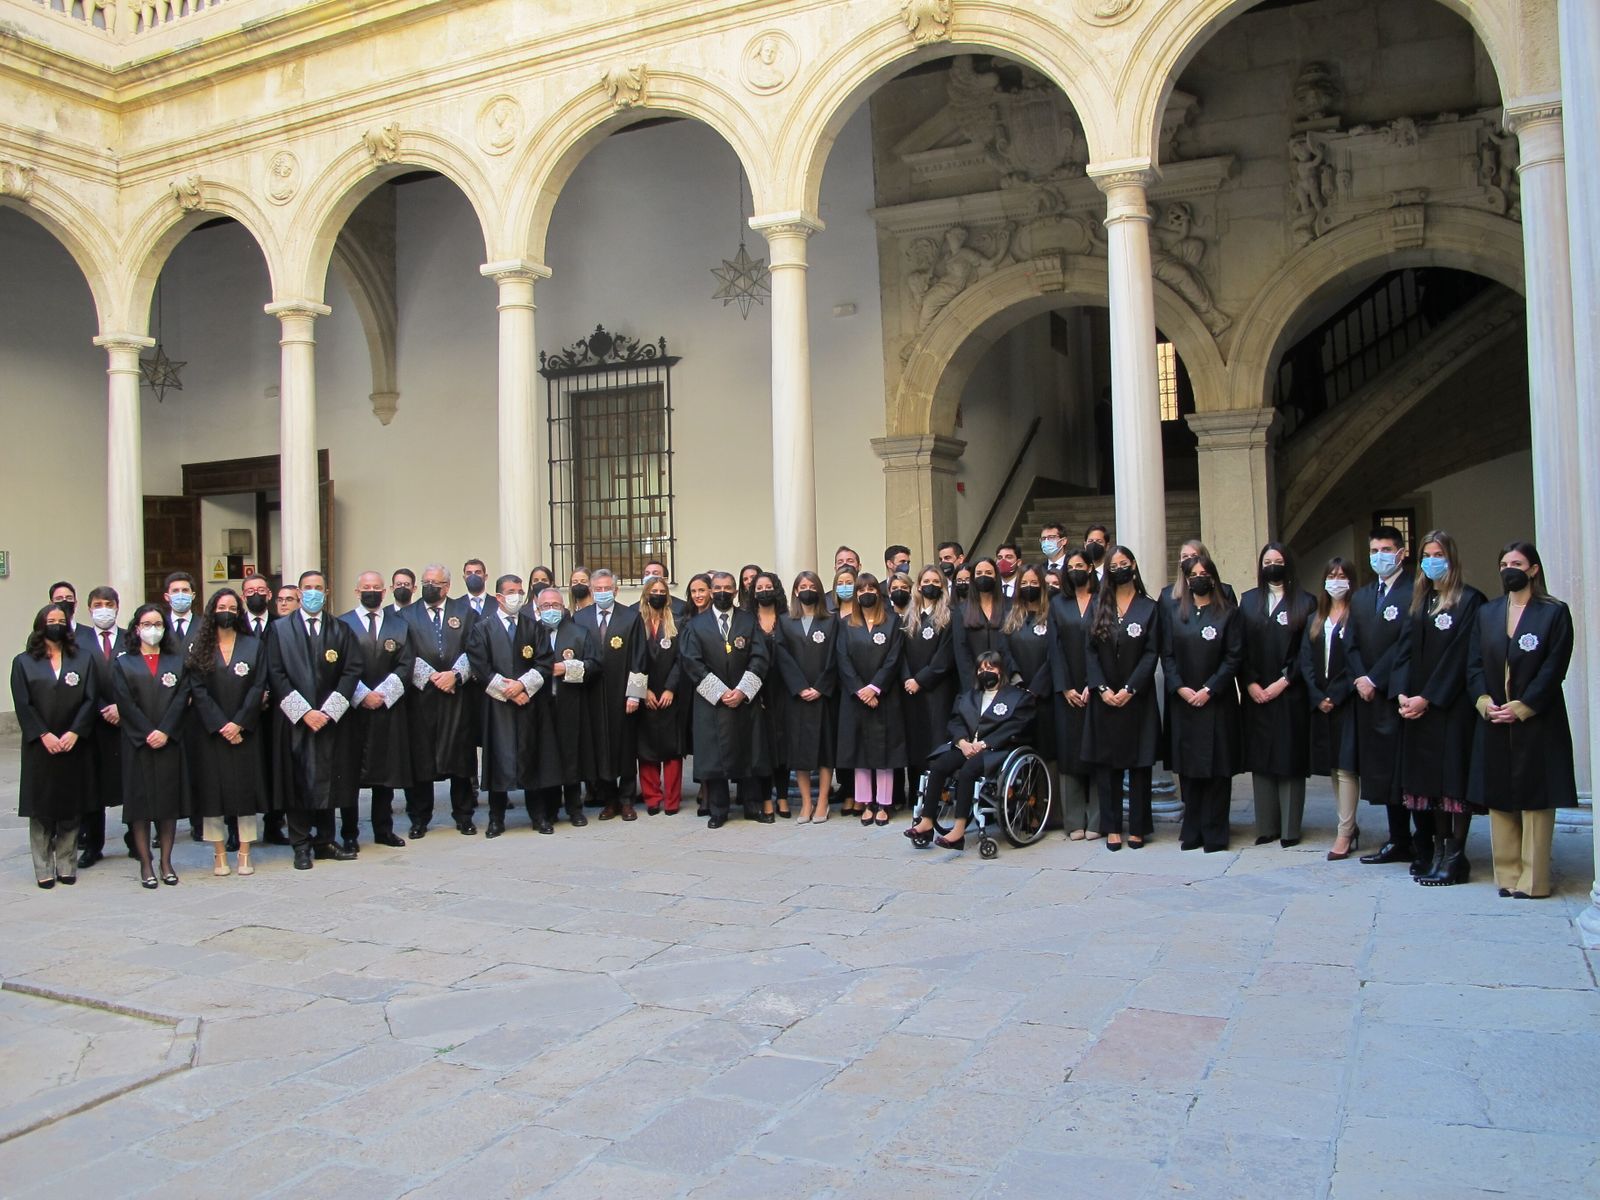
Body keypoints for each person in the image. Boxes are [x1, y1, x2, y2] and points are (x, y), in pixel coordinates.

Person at [1468, 541, 1576, 899]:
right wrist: (1484, 702)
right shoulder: (1488, 613)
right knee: (1500, 797)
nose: (1508, 570)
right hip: (1495, 718)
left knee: (1536, 797)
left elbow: (1554, 666)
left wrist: (1524, 705)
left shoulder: (1553, 612)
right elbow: (1473, 664)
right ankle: (1508, 875)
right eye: (1503, 564)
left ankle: (1534, 881)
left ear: (1533, 569)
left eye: (1516, 563)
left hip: (1537, 718)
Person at [1392, 529, 1486, 887]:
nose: (1432, 561)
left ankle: (1456, 858)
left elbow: (1461, 656)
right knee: (1431, 787)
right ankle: (1438, 851)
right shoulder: (1420, 600)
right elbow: (1404, 650)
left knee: (1452, 785)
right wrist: (1402, 692)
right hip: (1417, 709)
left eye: (1438, 555)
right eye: (1427, 556)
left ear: (1451, 558)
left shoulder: (1470, 600)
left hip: (1450, 707)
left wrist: (1428, 697)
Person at [266, 570, 361, 871]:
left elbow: (352, 670)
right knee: (297, 782)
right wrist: (304, 712)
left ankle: (325, 841)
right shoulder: (279, 629)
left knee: (329, 779)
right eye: (307, 587)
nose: (312, 593)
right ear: (299, 592)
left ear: (327, 592)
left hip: (330, 720)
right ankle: (301, 845)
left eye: (318, 587)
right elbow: (275, 672)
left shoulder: (341, 629)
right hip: (295, 721)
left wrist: (329, 711)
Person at [1348, 526, 1426, 871]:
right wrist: (1360, 677)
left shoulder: (1416, 591)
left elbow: (1406, 643)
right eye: (1374, 550)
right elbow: (1350, 642)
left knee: (1407, 771)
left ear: (1401, 553)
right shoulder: (1362, 596)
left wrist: (1375, 678)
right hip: (1368, 698)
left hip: (1399, 692)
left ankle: (1424, 840)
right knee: (1383, 772)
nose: (1379, 556)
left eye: (1385, 549)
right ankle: (1398, 838)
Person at [906, 650, 1034, 851]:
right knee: (939, 766)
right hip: (966, 746)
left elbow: (1015, 727)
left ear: (1001, 671)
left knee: (968, 772)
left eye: (990, 668)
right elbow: (956, 722)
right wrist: (962, 742)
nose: (985, 672)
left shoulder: (1018, 698)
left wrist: (985, 744)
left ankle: (958, 830)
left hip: (995, 749)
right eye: (981, 669)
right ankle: (927, 820)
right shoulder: (968, 696)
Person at [12, 603, 97, 888]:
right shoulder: (24, 662)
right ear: (41, 625)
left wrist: (75, 732)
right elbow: (23, 704)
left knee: (70, 806)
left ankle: (66, 863)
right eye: (51, 620)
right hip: (40, 746)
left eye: (62, 620)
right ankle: (43, 867)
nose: (57, 625)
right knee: (41, 808)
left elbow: (90, 698)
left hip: (73, 744)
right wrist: (43, 734)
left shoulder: (82, 659)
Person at [1161, 555, 1242, 853]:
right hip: (1184, 702)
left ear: (1213, 577)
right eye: (1193, 574)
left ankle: (1215, 832)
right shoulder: (1175, 613)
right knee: (1190, 771)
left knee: (1217, 771)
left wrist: (1210, 688)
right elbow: (1167, 655)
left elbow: (1233, 656)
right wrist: (1180, 687)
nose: (1199, 578)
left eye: (1204, 573)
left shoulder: (1228, 613)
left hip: (1217, 702)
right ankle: (1192, 830)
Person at [1082, 546, 1160, 850]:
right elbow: (1089, 651)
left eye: (1123, 564)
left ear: (1134, 566)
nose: (1119, 570)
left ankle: (1139, 827)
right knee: (1108, 766)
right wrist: (1101, 688)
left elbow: (1151, 652)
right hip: (1105, 698)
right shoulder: (1098, 605)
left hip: (1137, 698)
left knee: (1140, 765)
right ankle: (1112, 826)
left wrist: (1131, 688)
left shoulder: (1148, 607)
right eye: (1113, 566)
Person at [1238, 543, 1316, 847]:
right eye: (1267, 561)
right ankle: (1266, 826)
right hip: (1256, 692)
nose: (1272, 565)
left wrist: (1284, 681)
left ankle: (1289, 829)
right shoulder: (1248, 601)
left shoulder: (1305, 602)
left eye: (1278, 560)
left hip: (1289, 692)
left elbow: (1306, 651)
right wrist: (1250, 683)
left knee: (1289, 757)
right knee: (1261, 759)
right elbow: (1239, 647)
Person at [186, 588, 267, 877]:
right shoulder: (200, 647)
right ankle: (219, 853)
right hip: (212, 733)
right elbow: (198, 690)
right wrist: (221, 725)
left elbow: (258, 686)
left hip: (245, 732)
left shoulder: (253, 645)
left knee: (245, 792)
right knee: (213, 794)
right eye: (222, 607)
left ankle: (245, 852)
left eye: (233, 608)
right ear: (212, 611)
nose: (227, 613)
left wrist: (239, 723)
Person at [679, 572, 769, 828]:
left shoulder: (748, 620)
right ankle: (718, 810)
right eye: (717, 587)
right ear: (710, 591)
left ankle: (753, 806)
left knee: (750, 753)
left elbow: (760, 656)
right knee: (714, 756)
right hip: (711, 702)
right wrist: (720, 692)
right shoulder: (696, 625)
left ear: (735, 591)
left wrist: (742, 690)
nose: (722, 592)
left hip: (745, 700)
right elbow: (691, 662)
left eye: (728, 588)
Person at [111, 604, 192, 888]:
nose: (152, 629)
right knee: (140, 805)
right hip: (138, 743)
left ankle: (166, 861)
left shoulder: (177, 661)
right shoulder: (124, 663)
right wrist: (147, 732)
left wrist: (165, 731)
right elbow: (125, 702)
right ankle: (145, 862)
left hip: (169, 742)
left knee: (167, 805)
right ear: (137, 628)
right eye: (147, 624)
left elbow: (182, 697)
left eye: (158, 624)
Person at [335, 571, 414, 849]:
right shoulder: (342, 624)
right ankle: (349, 833)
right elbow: (338, 666)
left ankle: (383, 829)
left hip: (387, 709)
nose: (372, 591)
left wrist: (382, 694)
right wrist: (361, 695)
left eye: (377, 587)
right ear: (357, 592)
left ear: (385, 591)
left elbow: (406, 664)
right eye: (366, 587)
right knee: (351, 774)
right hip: (353, 711)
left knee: (385, 772)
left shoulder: (399, 625)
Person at [402, 563, 478, 837]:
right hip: (422, 698)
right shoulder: (406, 615)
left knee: (461, 758)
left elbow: (474, 648)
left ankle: (464, 815)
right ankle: (419, 818)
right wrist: (432, 676)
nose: (429, 587)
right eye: (425, 582)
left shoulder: (465, 613)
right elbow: (404, 653)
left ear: (447, 586)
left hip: (457, 697)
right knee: (421, 758)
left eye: (435, 583)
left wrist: (455, 676)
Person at [465, 573, 541, 837]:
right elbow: (479, 665)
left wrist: (523, 686)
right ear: (498, 597)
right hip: (497, 706)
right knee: (498, 759)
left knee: (531, 757)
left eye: (520, 591)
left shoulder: (533, 627)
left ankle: (538, 816)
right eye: (511, 592)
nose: (516, 596)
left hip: (527, 703)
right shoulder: (483, 628)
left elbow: (543, 661)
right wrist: (508, 691)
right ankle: (496, 819)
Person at [574, 568, 647, 821]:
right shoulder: (580, 618)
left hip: (622, 694)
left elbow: (640, 657)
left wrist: (635, 695)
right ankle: (609, 800)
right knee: (599, 748)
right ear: (591, 590)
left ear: (616, 590)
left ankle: (627, 800)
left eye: (607, 588)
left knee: (625, 747)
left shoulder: (631, 617)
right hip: (592, 694)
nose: (603, 592)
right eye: (598, 589)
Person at [527, 586, 602, 831]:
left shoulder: (579, 633)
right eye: (546, 606)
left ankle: (574, 807)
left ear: (563, 608)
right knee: (545, 757)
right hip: (538, 706)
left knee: (571, 755)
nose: (551, 610)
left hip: (569, 703)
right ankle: (548, 810)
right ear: (538, 609)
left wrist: (567, 668)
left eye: (555, 605)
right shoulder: (530, 632)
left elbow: (595, 664)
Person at [836, 572, 907, 827]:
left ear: (879, 592)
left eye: (871, 589)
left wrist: (875, 688)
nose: (866, 593)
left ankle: (884, 803)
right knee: (860, 752)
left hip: (884, 697)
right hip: (856, 699)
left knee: (885, 751)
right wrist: (860, 690)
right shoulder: (846, 624)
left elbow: (894, 658)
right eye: (861, 590)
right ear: (856, 595)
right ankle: (866, 802)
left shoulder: (893, 621)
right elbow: (842, 659)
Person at [1303, 558, 1360, 860]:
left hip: (1346, 701)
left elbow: (1357, 660)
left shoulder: (1357, 616)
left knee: (1347, 767)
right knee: (1335, 768)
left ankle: (1344, 833)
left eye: (1341, 576)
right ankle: (1348, 823)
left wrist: (1336, 695)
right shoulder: (1316, 618)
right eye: (1331, 575)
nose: (1336, 581)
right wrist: (1317, 695)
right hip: (1321, 702)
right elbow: (1305, 661)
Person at [778, 571, 839, 823]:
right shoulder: (785, 621)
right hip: (797, 697)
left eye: (812, 585)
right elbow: (782, 655)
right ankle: (806, 802)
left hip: (823, 696)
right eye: (802, 586)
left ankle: (822, 800)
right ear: (795, 591)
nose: (807, 590)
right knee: (799, 752)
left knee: (825, 751)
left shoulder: (832, 621)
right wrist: (800, 686)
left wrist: (821, 687)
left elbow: (836, 656)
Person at [77, 585, 129, 868]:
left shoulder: (130, 638)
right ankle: (93, 845)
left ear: (117, 607)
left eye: (109, 604)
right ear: (89, 609)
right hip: (93, 725)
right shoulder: (79, 642)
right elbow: (77, 681)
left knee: (130, 784)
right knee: (93, 787)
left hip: (125, 723)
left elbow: (138, 678)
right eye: (98, 605)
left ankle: (136, 840)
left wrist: (122, 707)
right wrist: (100, 707)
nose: (104, 610)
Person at [1050, 549, 1100, 840]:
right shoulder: (1058, 603)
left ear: (1090, 568)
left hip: (1096, 687)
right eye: (1070, 567)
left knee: (1096, 750)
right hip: (1067, 691)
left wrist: (1094, 684)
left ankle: (1097, 820)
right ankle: (1073, 821)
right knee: (1070, 754)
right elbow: (1053, 648)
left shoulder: (1102, 600)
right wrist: (1065, 686)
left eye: (1080, 565)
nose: (1075, 570)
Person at [899, 566, 956, 818]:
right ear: (919, 585)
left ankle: (936, 797)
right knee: (915, 743)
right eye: (926, 581)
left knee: (935, 742)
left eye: (936, 581)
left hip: (936, 690)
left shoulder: (948, 618)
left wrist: (920, 680)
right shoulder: (908, 617)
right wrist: (907, 679)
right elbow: (899, 654)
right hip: (910, 691)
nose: (930, 585)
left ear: (942, 586)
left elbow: (944, 658)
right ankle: (915, 795)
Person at [637, 575, 688, 815]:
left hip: (670, 695)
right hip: (645, 694)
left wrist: (670, 688)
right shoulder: (637, 623)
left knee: (671, 750)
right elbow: (633, 659)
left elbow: (682, 659)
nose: (657, 595)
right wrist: (643, 690)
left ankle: (672, 801)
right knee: (646, 750)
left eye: (661, 591)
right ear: (646, 594)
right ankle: (652, 798)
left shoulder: (677, 622)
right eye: (653, 591)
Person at [1000, 563, 1057, 764]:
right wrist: (1018, 681)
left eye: (1034, 582)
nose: (1029, 586)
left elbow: (1054, 653)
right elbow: (1004, 650)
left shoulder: (1052, 614)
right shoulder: (1010, 616)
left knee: (1046, 749)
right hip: (1017, 692)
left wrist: (1036, 688)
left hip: (1045, 694)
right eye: (1024, 583)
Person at [749, 571, 791, 819]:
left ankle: (783, 796)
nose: (764, 591)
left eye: (768, 586)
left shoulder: (787, 619)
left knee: (782, 745)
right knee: (761, 746)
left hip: (784, 690)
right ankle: (766, 798)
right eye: (759, 587)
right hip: (756, 690)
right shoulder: (747, 621)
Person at [952, 557, 1007, 690]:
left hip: (1006, 681)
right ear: (973, 578)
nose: (983, 576)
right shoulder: (962, 610)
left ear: (996, 576)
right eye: (979, 573)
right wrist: (972, 685)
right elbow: (961, 651)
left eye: (988, 573)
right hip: (974, 682)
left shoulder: (1009, 606)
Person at [164, 571, 202, 654]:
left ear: (193, 595)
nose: (180, 595)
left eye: (185, 590)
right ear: (167, 597)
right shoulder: (161, 625)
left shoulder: (204, 625)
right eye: (175, 591)